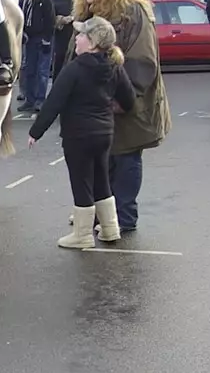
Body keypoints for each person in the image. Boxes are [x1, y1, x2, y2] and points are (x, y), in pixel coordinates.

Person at [71, 0, 170, 234]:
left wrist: (121, 97)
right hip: (98, 103)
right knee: (101, 160)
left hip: (127, 101)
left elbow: (142, 59)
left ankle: (124, 216)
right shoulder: (89, 12)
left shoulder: (133, 11)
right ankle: (101, 214)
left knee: (125, 157)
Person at [27, 16, 135, 249]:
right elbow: (129, 99)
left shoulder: (74, 68)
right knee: (101, 179)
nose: (76, 38)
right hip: (105, 133)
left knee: (81, 181)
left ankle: (83, 235)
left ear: (93, 41)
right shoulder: (114, 65)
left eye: (82, 35)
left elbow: (54, 101)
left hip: (78, 135)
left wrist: (36, 131)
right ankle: (110, 228)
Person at [18, 0, 53, 115]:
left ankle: (40, 100)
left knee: (42, 72)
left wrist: (47, 39)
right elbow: (20, 17)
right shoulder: (23, 0)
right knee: (29, 70)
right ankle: (29, 100)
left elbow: (50, 19)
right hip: (29, 38)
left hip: (43, 38)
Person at [52, 0, 77, 78]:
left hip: (77, 39)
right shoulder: (56, 1)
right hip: (61, 39)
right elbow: (51, 19)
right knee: (59, 65)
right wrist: (61, 20)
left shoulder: (82, 1)